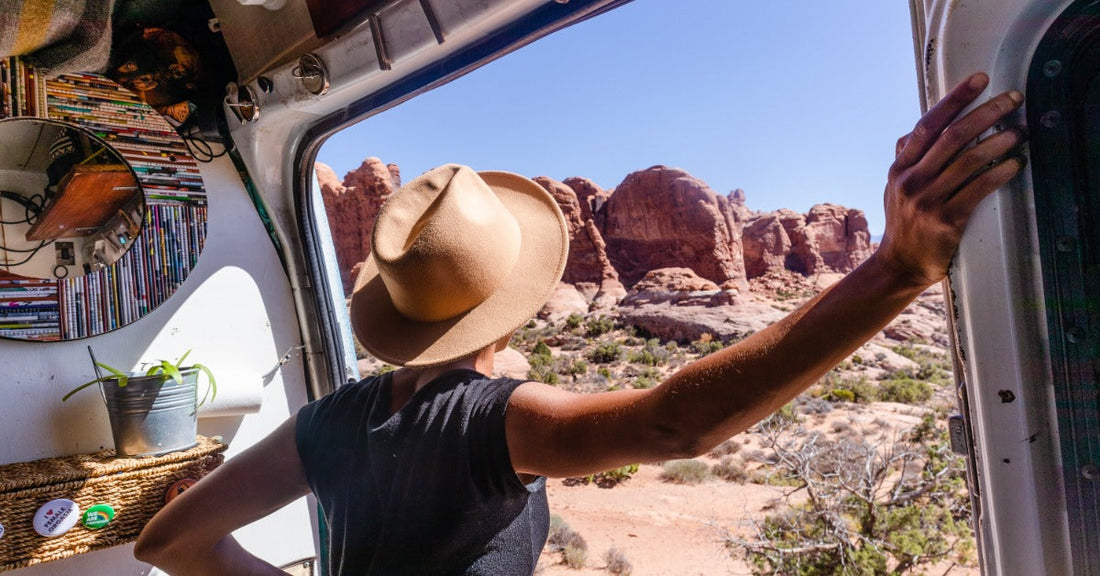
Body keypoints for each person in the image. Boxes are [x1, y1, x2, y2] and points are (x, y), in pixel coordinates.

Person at [134, 72, 1027, 575]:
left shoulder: (330, 422)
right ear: (504, 310)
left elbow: (168, 539)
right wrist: (898, 268)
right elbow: (673, 423)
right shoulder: (499, 420)